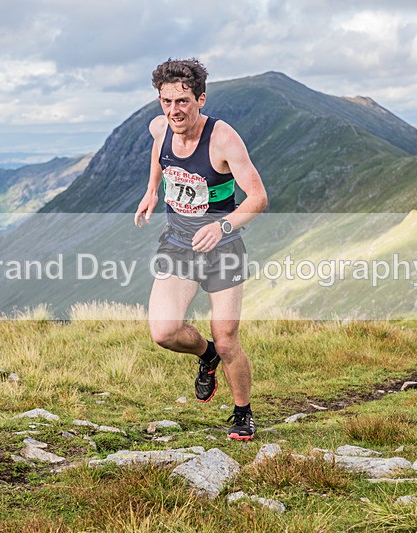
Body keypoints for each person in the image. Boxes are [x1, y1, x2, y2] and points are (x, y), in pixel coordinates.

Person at [134, 58, 267, 441]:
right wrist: (151, 190)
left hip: (222, 244)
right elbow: (158, 150)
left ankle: (243, 413)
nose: (174, 110)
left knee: (227, 338)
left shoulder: (223, 138)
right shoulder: (162, 127)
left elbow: (257, 198)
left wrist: (222, 224)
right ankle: (205, 355)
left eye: (183, 102)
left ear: (200, 99)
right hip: (178, 243)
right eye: (166, 101)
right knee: (164, 331)